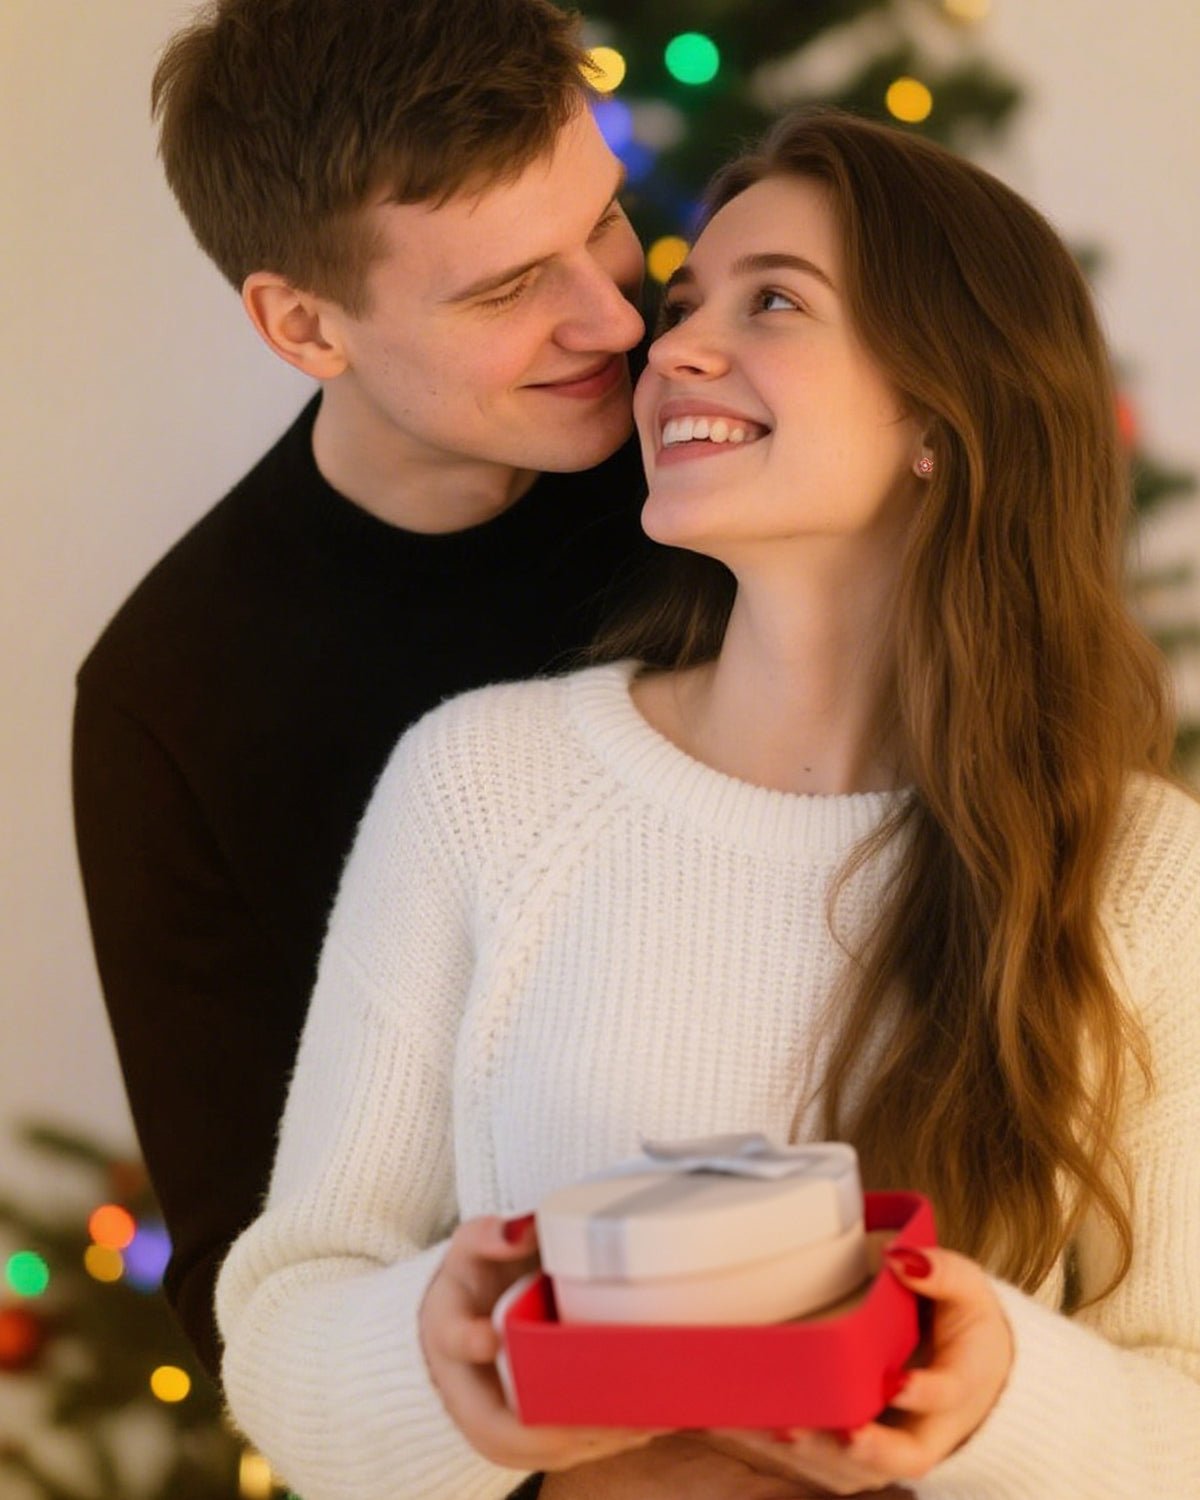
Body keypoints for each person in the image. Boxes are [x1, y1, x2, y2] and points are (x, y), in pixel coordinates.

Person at [214, 105, 1200, 1499]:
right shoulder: (484, 784)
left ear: (942, 411)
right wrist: (438, 1358)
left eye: (776, 300)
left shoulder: (1142, 871)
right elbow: (287, 1323)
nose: (666, 345)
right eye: (682, 302)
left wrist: (1001, 1398)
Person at [71, 0, 656, 1385]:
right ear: (301, 324)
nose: (618, 314)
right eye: (509, 287)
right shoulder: (174, 698)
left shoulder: (732, 435)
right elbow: (247, 1271)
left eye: (610, 221)